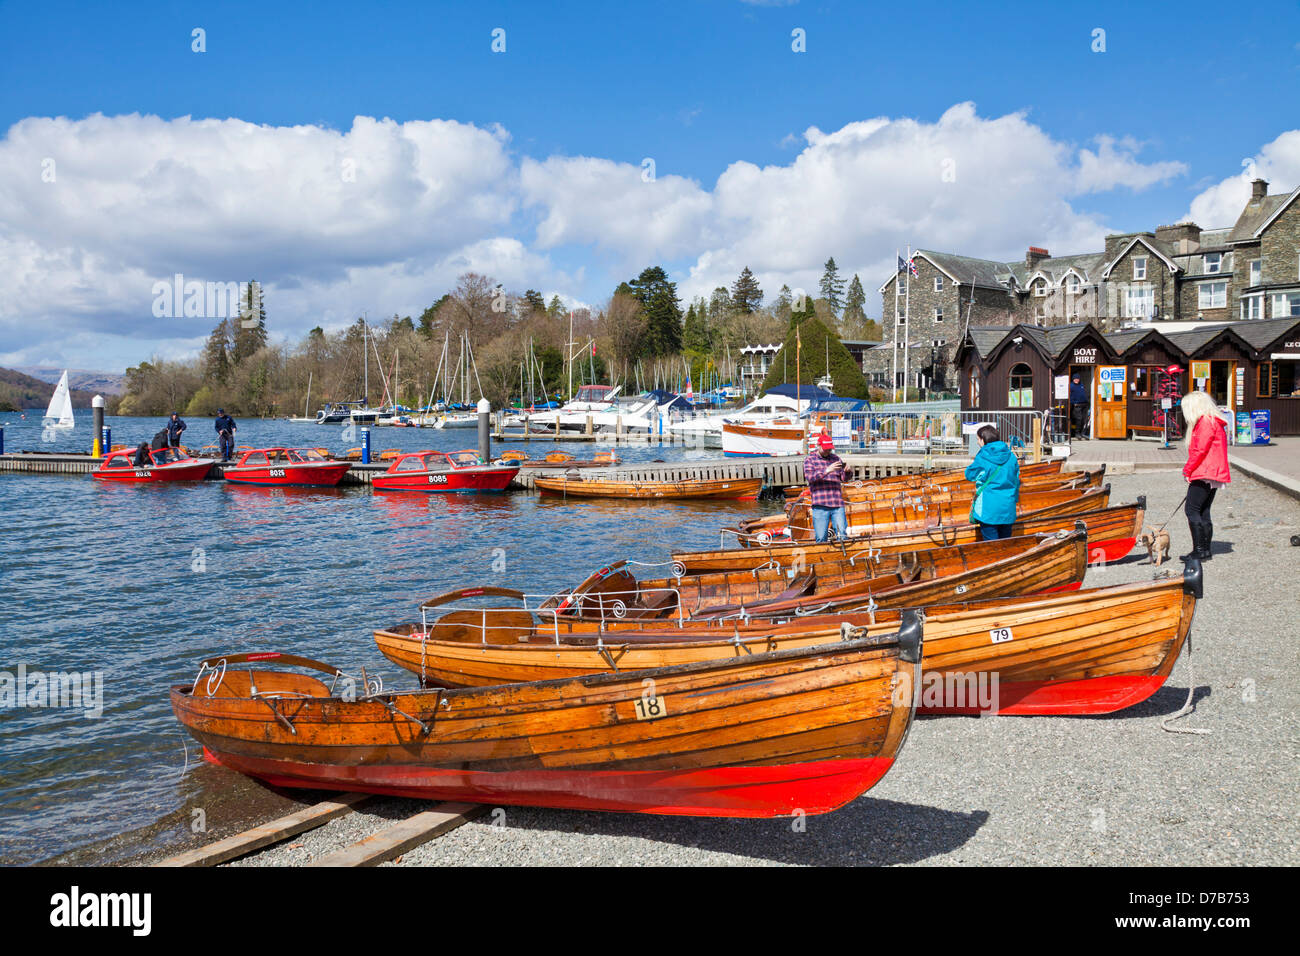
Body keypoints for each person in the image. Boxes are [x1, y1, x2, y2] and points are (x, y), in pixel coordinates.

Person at [1179, 390, 1230, 561]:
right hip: (1214, 471)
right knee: (1203, 511)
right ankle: (1205, 550)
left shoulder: (1205, 422)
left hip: (1204, 471)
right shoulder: (1214, 421)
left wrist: (1187, 470)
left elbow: (1200, 450)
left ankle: (1199, 550)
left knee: (1191, 510)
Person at [965, 424, 1021, 539]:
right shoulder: (1011, 457)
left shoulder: (983, 456)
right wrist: (1014, 500)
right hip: (1007, 507)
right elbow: (1016, 481)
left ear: (983, 439)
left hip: (988, 509)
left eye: (978, 439)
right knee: (1005, 544)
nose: (977, 442)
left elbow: (969, 475)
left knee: (991, 545)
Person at [804, 432, 848, 542]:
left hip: (837, 503)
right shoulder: (810, 460)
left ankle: (842, 558)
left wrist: (848, 472)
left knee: (842, 535)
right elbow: (810, 477)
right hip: (820, 505)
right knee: (821, 537)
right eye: (825, 449)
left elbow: (844, 478)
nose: (828, 451)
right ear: (818, 446)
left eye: (829, 449)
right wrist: (827, 470)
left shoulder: (836, 458)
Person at [1069, 374, 1089, 438]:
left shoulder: (1081, 385)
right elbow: (1070, 396)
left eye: (1078, 379)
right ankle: (1077, 433)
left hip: (1084, 404)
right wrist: (1073, 402)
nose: (1077, 380)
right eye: (1075, 379)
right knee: (1079, 419)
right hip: (1077, 404)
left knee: (1084, 419)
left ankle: (1082, 433)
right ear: (1073, 379)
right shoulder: (1071, 386)